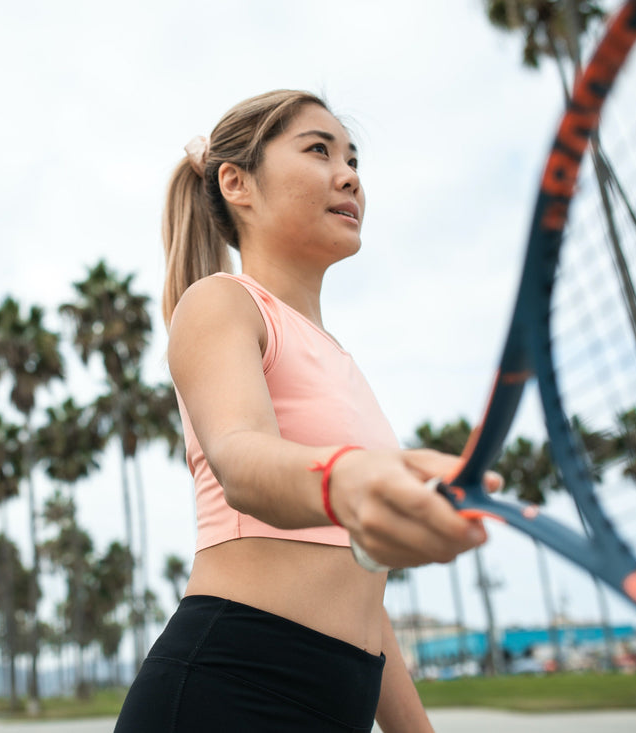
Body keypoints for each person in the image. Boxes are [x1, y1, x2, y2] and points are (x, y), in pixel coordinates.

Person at [114, 90, 500, 732]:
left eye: (353, 158)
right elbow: (240, 456)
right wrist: (346, 479)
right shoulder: (221, 303)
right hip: (231, 688)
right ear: (236, 182)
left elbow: (359, 592)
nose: (349, 174)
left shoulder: (340, 360)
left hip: (335, 697)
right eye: (319, 150)